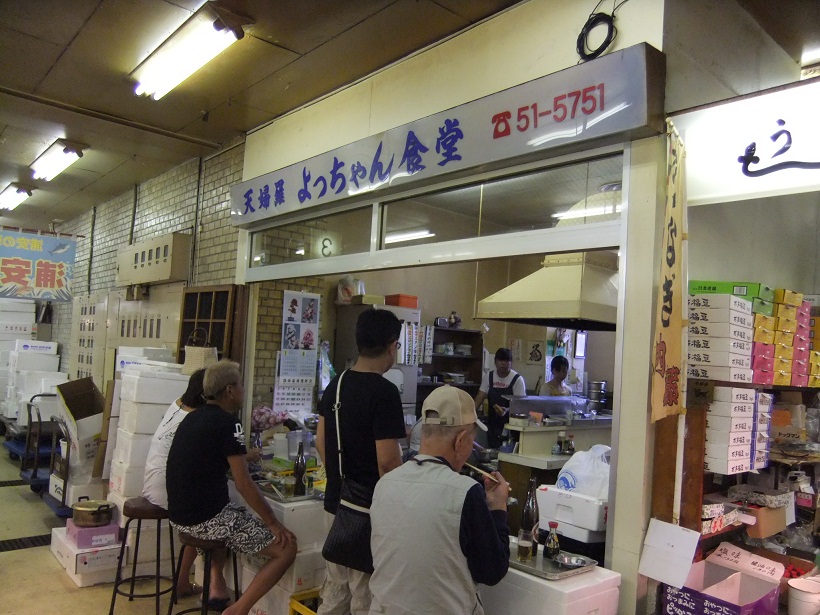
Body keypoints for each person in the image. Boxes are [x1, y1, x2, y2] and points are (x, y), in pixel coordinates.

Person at [166, 360, 296, 615]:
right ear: (229, 390)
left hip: (179, 516)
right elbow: (244, 483)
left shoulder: (193, 417)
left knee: (233, 510)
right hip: (206, 520)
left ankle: (216, 588)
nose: (242, 390)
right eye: (240, 385)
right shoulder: (229, 423)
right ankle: (238, 610)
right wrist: (273, 523)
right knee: (286, 549)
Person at [369, 385, 510, 615]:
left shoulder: (385, 483)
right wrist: (498, 507)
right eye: (472, 443)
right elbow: (492, 571)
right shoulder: (465, 491)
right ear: (461, 440)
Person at [316, 308, 407, 615]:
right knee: (364, 598)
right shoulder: (385, 393)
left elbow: (320, 441)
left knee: (335, 592)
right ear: (393, 345)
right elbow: (388, 465)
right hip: (367, 512)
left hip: (335, 505)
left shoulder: (337, 384)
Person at [473, 348, 526, 449]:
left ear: (511, 363)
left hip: (511, 426)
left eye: (507, 361)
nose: (503, 364)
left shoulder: (517, 379)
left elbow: (521, 405)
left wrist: (507, 410)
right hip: (493, 424)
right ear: (495, 362)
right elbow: (479, 398)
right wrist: (470, 413)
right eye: (501, 360)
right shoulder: (489, 376)